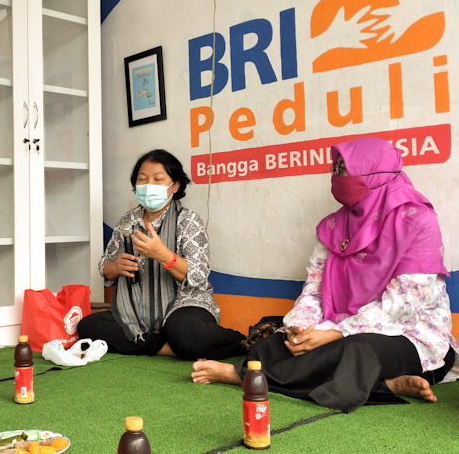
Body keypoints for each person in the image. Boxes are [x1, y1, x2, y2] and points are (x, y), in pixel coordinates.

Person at [191, 138, 458, 412]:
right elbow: (315, 290)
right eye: (335, 168)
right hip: (337, 325)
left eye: (344, 169)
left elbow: (402, 306)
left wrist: (335, 334)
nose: (336, 176)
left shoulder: (417, 220)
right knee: (276, 345)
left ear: (374, 173)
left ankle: (243, 376)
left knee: (357, 352)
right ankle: (385, 386)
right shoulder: (333, 226)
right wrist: (300, 327)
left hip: (407, 331)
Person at [77, 149, 246, 360]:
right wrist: (116, 267)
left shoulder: (188, 220)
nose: (149, 185)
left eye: (158, 179)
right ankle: (167, 347)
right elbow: (106, 269)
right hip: (134, 309)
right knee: (88, 326)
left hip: (184, 304)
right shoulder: (127, 222)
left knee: (186, 333)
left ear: (175, 185)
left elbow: (198, 275)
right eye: (142, 179)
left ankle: (243, 342)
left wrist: (163, 255)